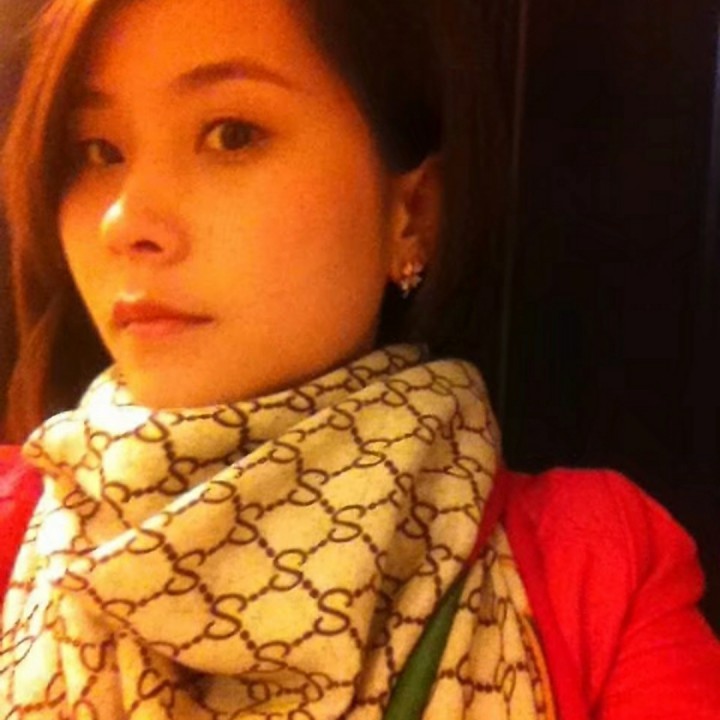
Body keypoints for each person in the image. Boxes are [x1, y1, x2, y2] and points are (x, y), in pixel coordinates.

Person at [0, 0, 719, 718]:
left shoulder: (594, 575)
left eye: (231, 134)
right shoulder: (10, 525)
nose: (124, 221)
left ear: (413, 213)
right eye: (97, 151)